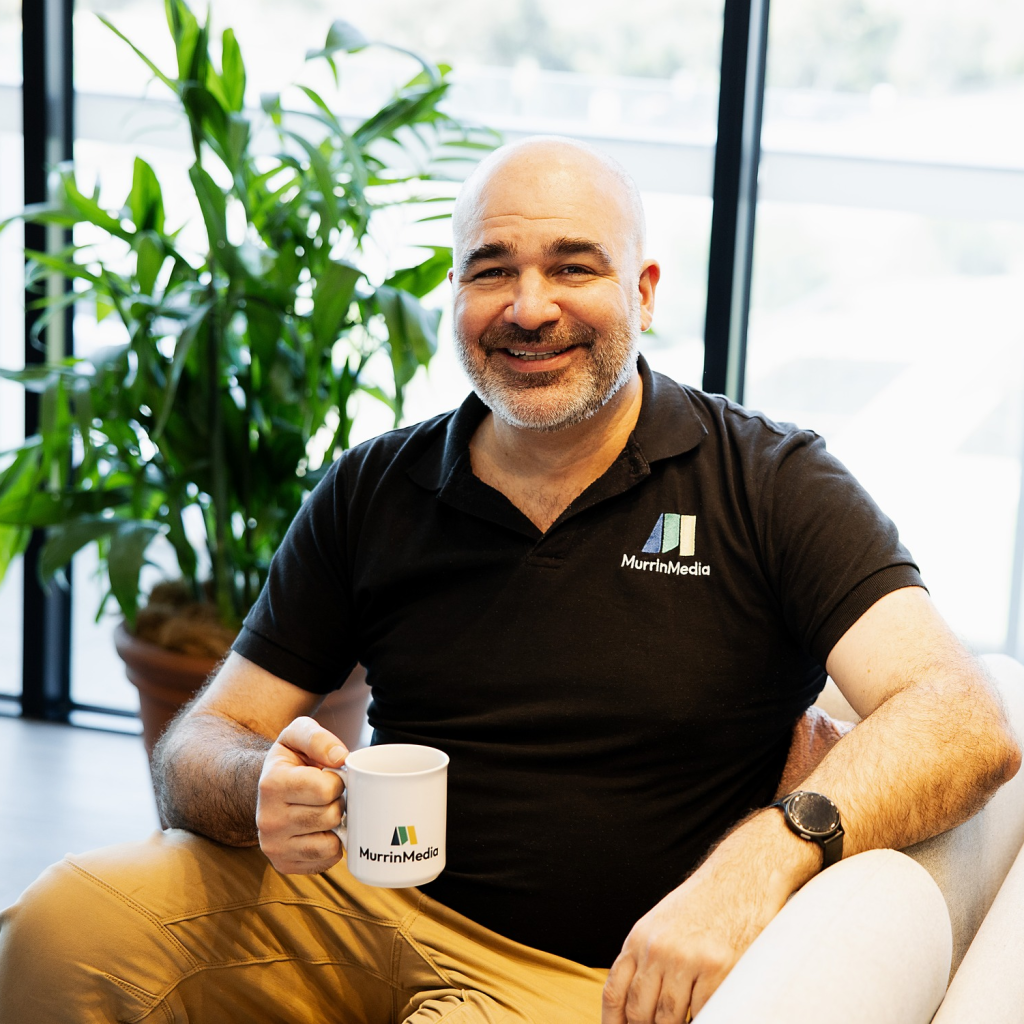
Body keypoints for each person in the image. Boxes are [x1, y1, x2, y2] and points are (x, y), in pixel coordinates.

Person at [0, 136, 1019, 1024]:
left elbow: (965, 718)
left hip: (594, 968)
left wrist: (765, 856)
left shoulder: (769, 480)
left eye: (572, 266)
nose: (528, 308)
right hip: (363, 901)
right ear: (455, 295)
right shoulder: (375, 487)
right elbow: (198, 740)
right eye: (492, 269)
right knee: (54, 928)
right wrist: (253, 784)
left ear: (644, 291)